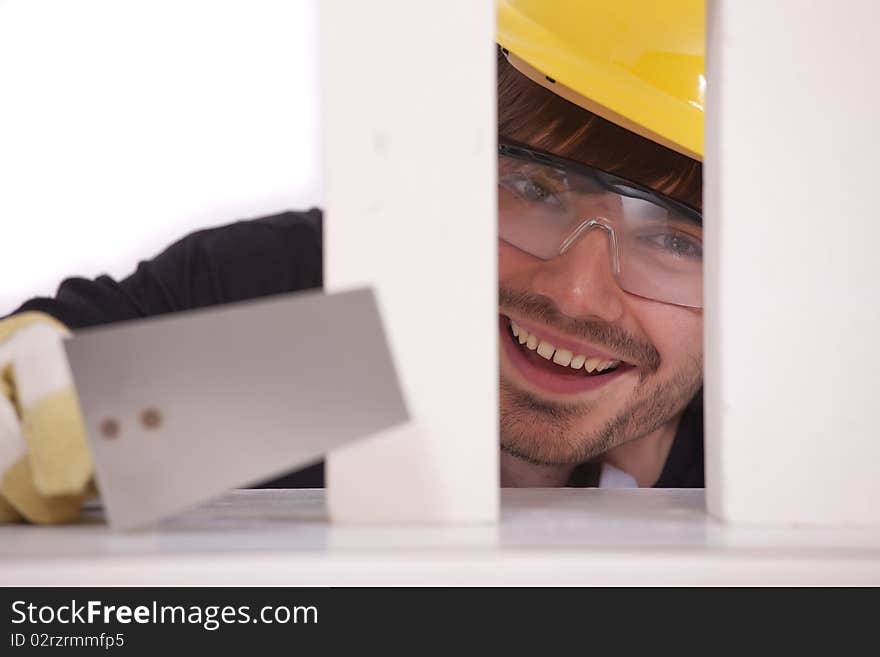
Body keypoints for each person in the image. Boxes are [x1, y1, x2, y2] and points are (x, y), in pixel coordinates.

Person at [0, 0, 705, 523]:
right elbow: (48, 363)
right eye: (530, 187)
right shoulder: (294, 299)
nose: (578, 293)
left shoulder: (781, 450)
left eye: (676, 240)